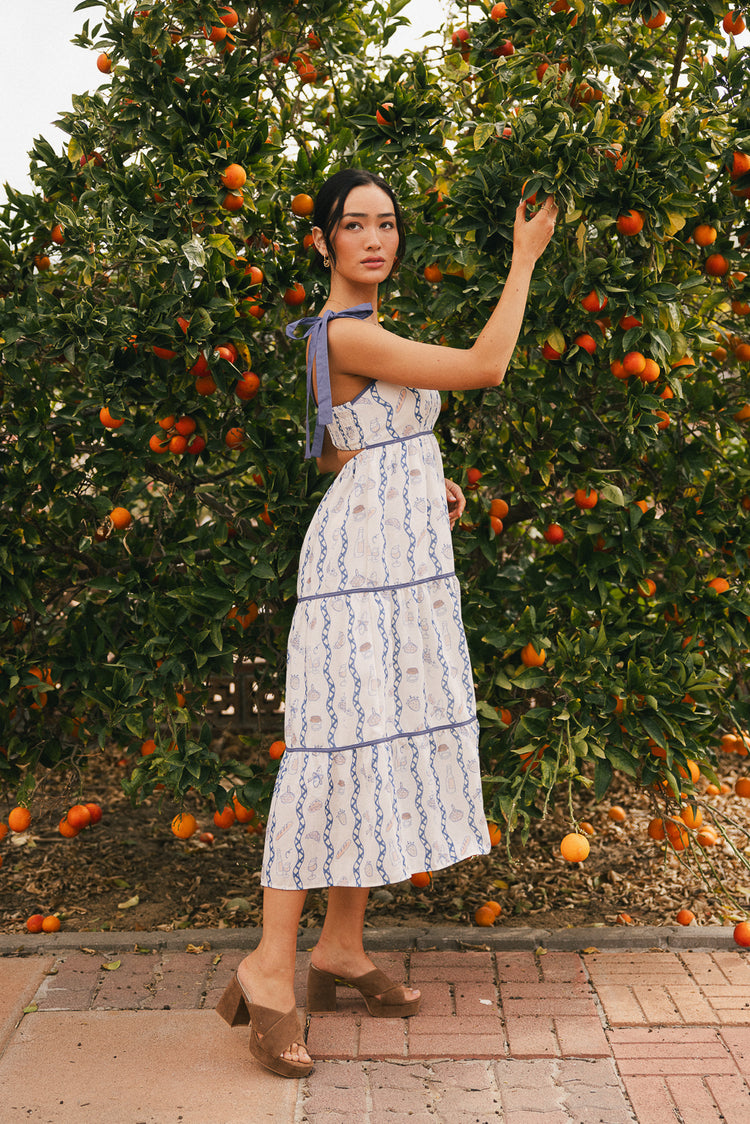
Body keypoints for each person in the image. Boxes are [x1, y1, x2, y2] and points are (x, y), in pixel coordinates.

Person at [216, 168, 557, 1077]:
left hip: (394, 560)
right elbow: (486, 367)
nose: (376, 239)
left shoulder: (354, 336)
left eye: (389, 224)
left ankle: (339, 950)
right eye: (355, 225)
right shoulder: (343, 330)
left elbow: (338, 447)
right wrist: (523, 260)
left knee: (379, 741)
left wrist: (413, 471)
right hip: (362, 574)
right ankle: (268, 967)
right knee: (333, 754)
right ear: (322, 242)